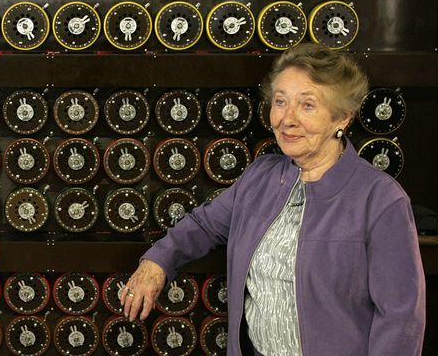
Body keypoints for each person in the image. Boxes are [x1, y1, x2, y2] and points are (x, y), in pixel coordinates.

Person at [121, 43, 426, 355]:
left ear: (342, 118)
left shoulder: (380, 199)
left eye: (307, 105)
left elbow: (401, 319)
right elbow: (204, 224)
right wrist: (157, 262)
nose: (287, 119)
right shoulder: (262, 175)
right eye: (280, 102)